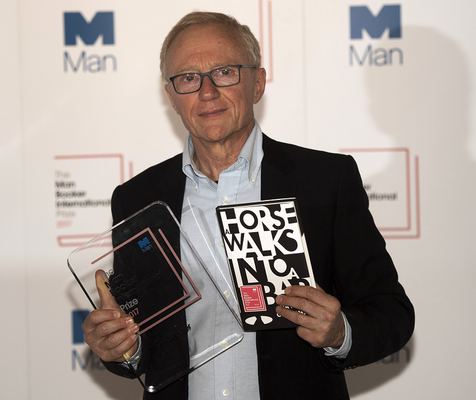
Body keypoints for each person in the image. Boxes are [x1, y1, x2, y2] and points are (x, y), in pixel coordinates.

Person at [82, 11, 414, 400]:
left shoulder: (326, 181)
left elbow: (391, 314)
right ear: (171, 97)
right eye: (188, 78)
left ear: (258, 83)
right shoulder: (137, 198)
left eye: (224, 72)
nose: (207, 92)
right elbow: (140, 338)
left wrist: (339, 331)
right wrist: (122, 345)